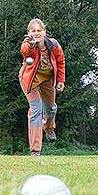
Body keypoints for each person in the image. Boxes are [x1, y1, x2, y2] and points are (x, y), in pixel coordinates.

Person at [19, 18, 65, 157]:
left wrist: (61, 80)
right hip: (29, 79)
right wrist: (31, 45)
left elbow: (60, 61)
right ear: (29, 33)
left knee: (51, 108)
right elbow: (24, 51)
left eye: (39, 30)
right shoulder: (28, 44)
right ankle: (35, 150)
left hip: (48, 79)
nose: (37, 33)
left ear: (44, 32)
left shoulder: (54, 45)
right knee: (36, 109)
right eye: (33, 31)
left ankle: (49, 128)